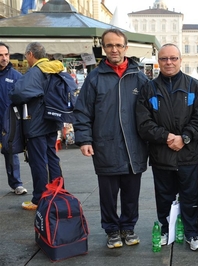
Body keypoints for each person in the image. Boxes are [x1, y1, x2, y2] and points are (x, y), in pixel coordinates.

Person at [73, 29, 149, 249]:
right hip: (105, 146)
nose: (114, 49)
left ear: (125, 47)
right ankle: (111, 229)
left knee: (131, 193)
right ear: (104, 49)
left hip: (134, 146)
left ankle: (128, 227)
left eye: (118, 45)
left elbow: (151, 112)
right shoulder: (95, 77)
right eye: (109, 46)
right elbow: (83, 111)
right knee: (107, 194)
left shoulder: (139, 77)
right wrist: (85, 140)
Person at [136, 43, 198, 251]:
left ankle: (191, 232)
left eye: (173, 58)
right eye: (164, 59)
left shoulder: (194, 86)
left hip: (189, 154)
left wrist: (185, 137)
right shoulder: (148, 88)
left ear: (180, 60)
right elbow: (143, 123)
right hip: (161, 154)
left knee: (190, 196)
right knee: (164, 196)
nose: (169, 62)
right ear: (158, 61)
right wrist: (167, 136)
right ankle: (167, 229)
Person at [10, 42, 63, 210]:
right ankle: (58, 193)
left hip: (36, 122)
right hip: (52, 120)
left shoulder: (35, 72)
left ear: (31, 54)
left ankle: (39, 198)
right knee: (52, 158)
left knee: (38, 161)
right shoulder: (55, 68)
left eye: (26, 56)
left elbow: (18, 94)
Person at [0, 42, 28, 195]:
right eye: (1, 55)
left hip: (8, 123)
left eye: (6, 55)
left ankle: (16, 184)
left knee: (11, 154)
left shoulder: (16, 76)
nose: (4, 58)